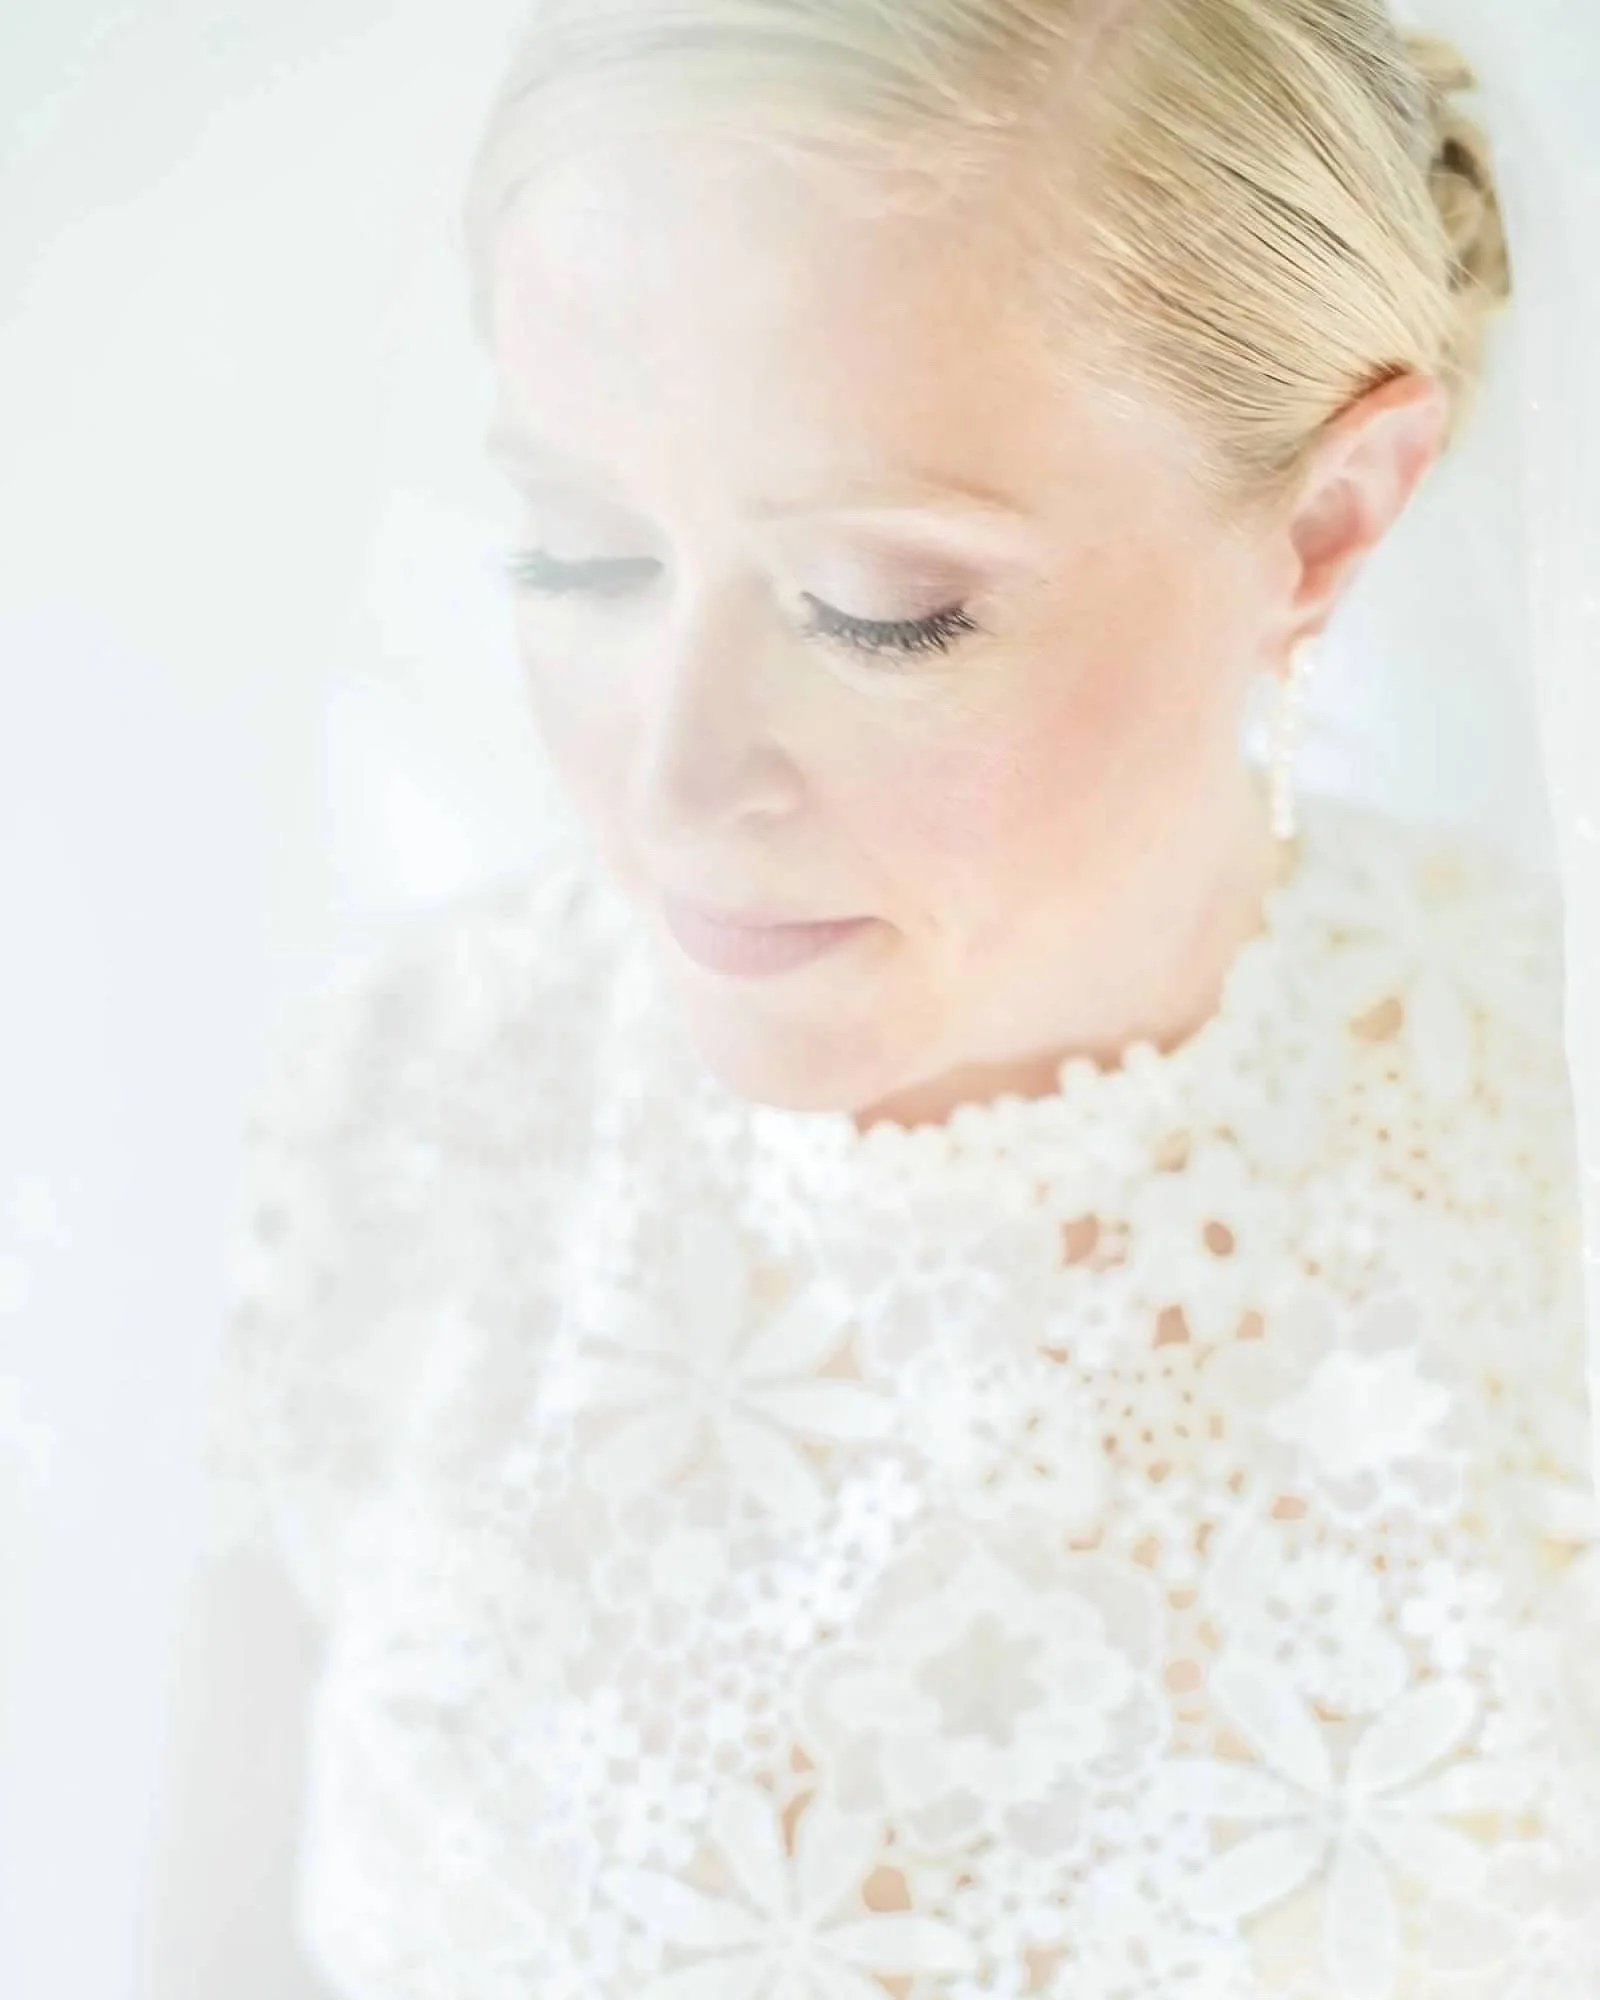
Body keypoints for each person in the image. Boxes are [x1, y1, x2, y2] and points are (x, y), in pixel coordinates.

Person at [202, 2, 1600, 1995]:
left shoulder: (1558, 1149)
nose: (671, 789)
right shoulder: (410, 1097)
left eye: (877, 605)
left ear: (1321, 521)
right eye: (583, 559)